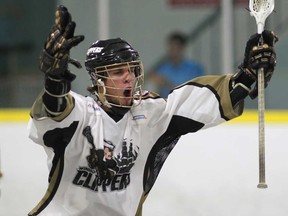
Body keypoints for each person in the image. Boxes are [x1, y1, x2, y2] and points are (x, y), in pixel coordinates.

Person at [27, 5, 278, 216]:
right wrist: (54, 80)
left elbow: (201, 102)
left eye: (132, 69)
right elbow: (54, 108)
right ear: (97, 81)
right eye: (118, 72)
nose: (129, 77)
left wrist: (245, 75)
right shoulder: (79, 113)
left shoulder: (150, 114)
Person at [148, 31, 204, 97]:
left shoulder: (194, 68)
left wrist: (167, 83)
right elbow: (158, 92)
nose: (172, 50)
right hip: (167, 104)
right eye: (170, 47)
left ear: (182, 48)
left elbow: (194, 91)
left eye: (175, 47)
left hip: (189, 104)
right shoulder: (163, 68)